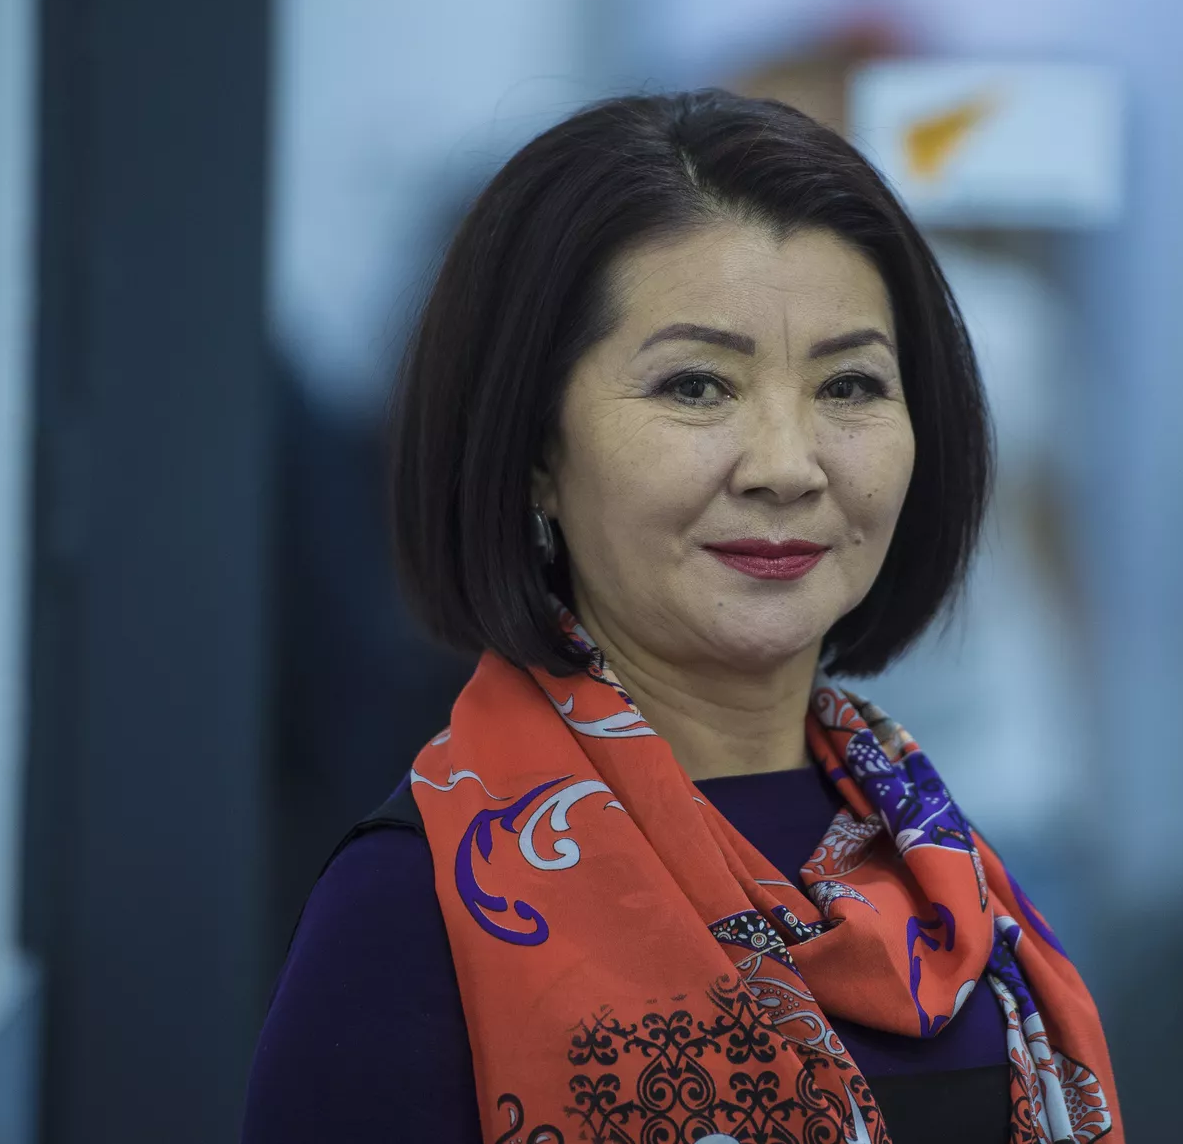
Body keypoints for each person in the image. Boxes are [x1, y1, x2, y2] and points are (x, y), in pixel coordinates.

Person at [242, 89, 1119, 1143]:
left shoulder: (948, 870)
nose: (788, 466)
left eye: (849, 386)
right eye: (698, 386)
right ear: (534, 452)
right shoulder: (414, 907)